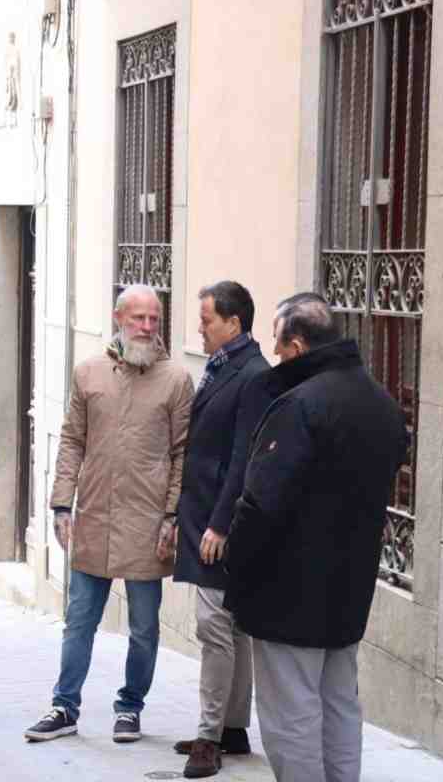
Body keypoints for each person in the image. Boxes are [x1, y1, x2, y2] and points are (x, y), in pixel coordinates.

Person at [224, 293, 407, 782]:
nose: (277, 357)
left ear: (299, 346)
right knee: (340, 705)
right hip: (349, 589)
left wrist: (236, 567)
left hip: (288, 593)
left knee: (291, 716)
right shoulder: (382, 404)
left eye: (280, 348)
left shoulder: (299, 406)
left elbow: (260, 503)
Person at [25, 284, 194, 744]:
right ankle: (64, 706)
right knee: (79, 619)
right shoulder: (88, 373)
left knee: (143, 628)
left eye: (154, 318)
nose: (146, 327)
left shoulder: (177, 380)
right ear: (119, 318)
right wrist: (62, 504)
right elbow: (72, 441)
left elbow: (183, 453)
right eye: (138, 318)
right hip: (94, 517)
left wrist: (172, 516)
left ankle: (130, 707)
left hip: (148, 523)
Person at [170, 281, 271, 778]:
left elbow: (243, 457)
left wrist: (219, 524)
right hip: (205, 516)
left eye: (207, 320)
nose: (199, 328)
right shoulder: (224, 365)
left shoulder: (253, 374)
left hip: (219, 523)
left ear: (234, 323)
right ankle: (231, 728)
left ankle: (210, 739)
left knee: (214, 628)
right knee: (231, 628)